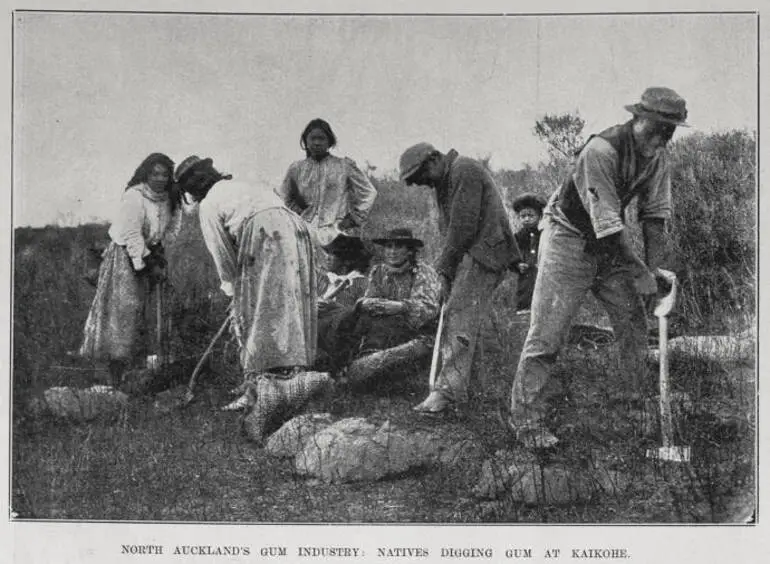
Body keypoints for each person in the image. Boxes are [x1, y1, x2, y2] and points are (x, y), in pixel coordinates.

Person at [508, 87, 689, 449]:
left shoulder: (657, 157)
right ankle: (527, 422)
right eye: (656, 126)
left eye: (669, 129)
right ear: (637, 119)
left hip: (609, 245)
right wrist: (637, 271)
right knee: (547, 333)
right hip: (569, 238)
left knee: (632, 323)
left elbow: (654, 219)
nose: (662, 136)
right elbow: (607, 226)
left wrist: (653, 273)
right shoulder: (600, 151)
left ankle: (632, 404)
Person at [399, 144, 522, 413]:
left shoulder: (463, 169)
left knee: (459, 314)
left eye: (421, 177)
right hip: (474, 254)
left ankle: (448, 393)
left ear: (433, 160)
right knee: (470, 320)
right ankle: (477, 388)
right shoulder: (447, 178)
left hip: (482, 254)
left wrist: (444, 268)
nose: (423, 185)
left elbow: (462, 228)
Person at [174, 155, 316, 377]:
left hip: (265, 232)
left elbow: (221, 250)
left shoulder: (209, 204)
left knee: (260, 309)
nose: (197, 180)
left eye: (198, 173)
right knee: (288, 301)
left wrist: (233, 288)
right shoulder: (243, 184)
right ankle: (290, 372)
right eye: (189, 180)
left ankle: (265, 379)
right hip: (295, 229)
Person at [78, 152, 182, 386]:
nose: (159, 178)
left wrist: (159, 253)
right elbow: (132, 234)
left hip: (151, 255)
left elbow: (173, 228)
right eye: (154, 173)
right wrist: (144, 262)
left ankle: (142, 375)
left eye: (165, 174)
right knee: (122, 314)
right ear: (146, 173)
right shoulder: (134, 196)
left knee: (149, 314)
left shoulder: (171, 198)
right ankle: (113, 375)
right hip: (125, 257)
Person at [317, 228, 441, 379]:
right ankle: (340, 364)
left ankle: (361, 365)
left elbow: (429, 310)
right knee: (349, 319)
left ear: (409, 251)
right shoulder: (379, 271)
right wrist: (367, 303)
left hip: (412, 331)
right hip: (382, 327)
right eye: (389, 246)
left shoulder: (422, 272)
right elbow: (370, 297)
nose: (392, 252)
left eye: (398, 247)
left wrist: (401, 307)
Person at [276, 118, 378, 249]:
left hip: (336, 232)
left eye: (321, 138)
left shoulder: (344, 166)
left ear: (330, 141)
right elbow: (284, 196)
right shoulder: (296, 168)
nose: (317, 143)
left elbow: (369, 192)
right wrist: (297, 216)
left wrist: (352, 219)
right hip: (304, 232)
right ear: (305, 141)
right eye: (312, 138)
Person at [512, 192, 547, 312]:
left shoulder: (545, 233)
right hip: (527, 276)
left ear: (540, 216)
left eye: (531, 215)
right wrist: (517, 265)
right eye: (523, 216)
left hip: (545, 272)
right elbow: (512, 254)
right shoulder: (518, 237)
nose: (526, 219)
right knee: (526, 295)